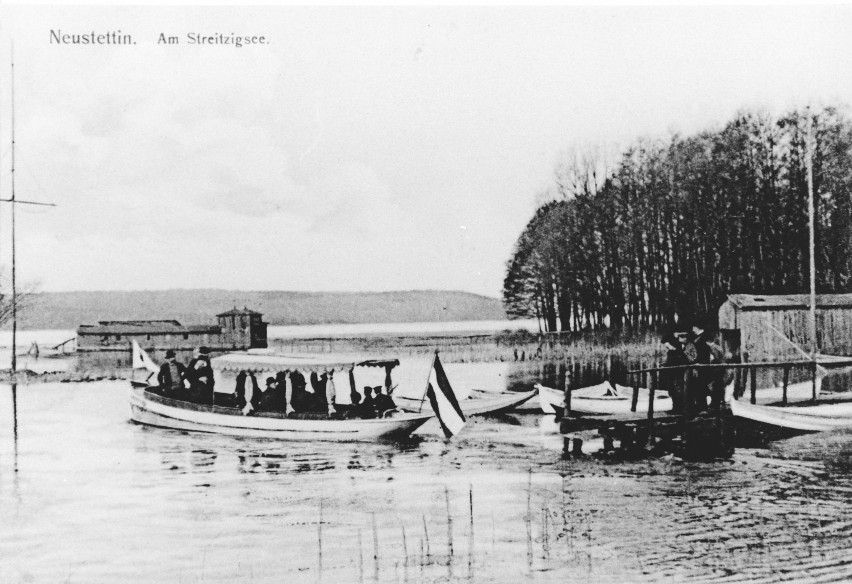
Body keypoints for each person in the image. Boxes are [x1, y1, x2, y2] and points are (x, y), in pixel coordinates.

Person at [660, 332, 689, 413]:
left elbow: (684, 357)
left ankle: (679, 409)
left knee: (678, 391)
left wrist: (673, 349)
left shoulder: (682, 348)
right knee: (673, 391)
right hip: (672, 372)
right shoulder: (673, 350)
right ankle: (675, 408)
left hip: (679, 373)